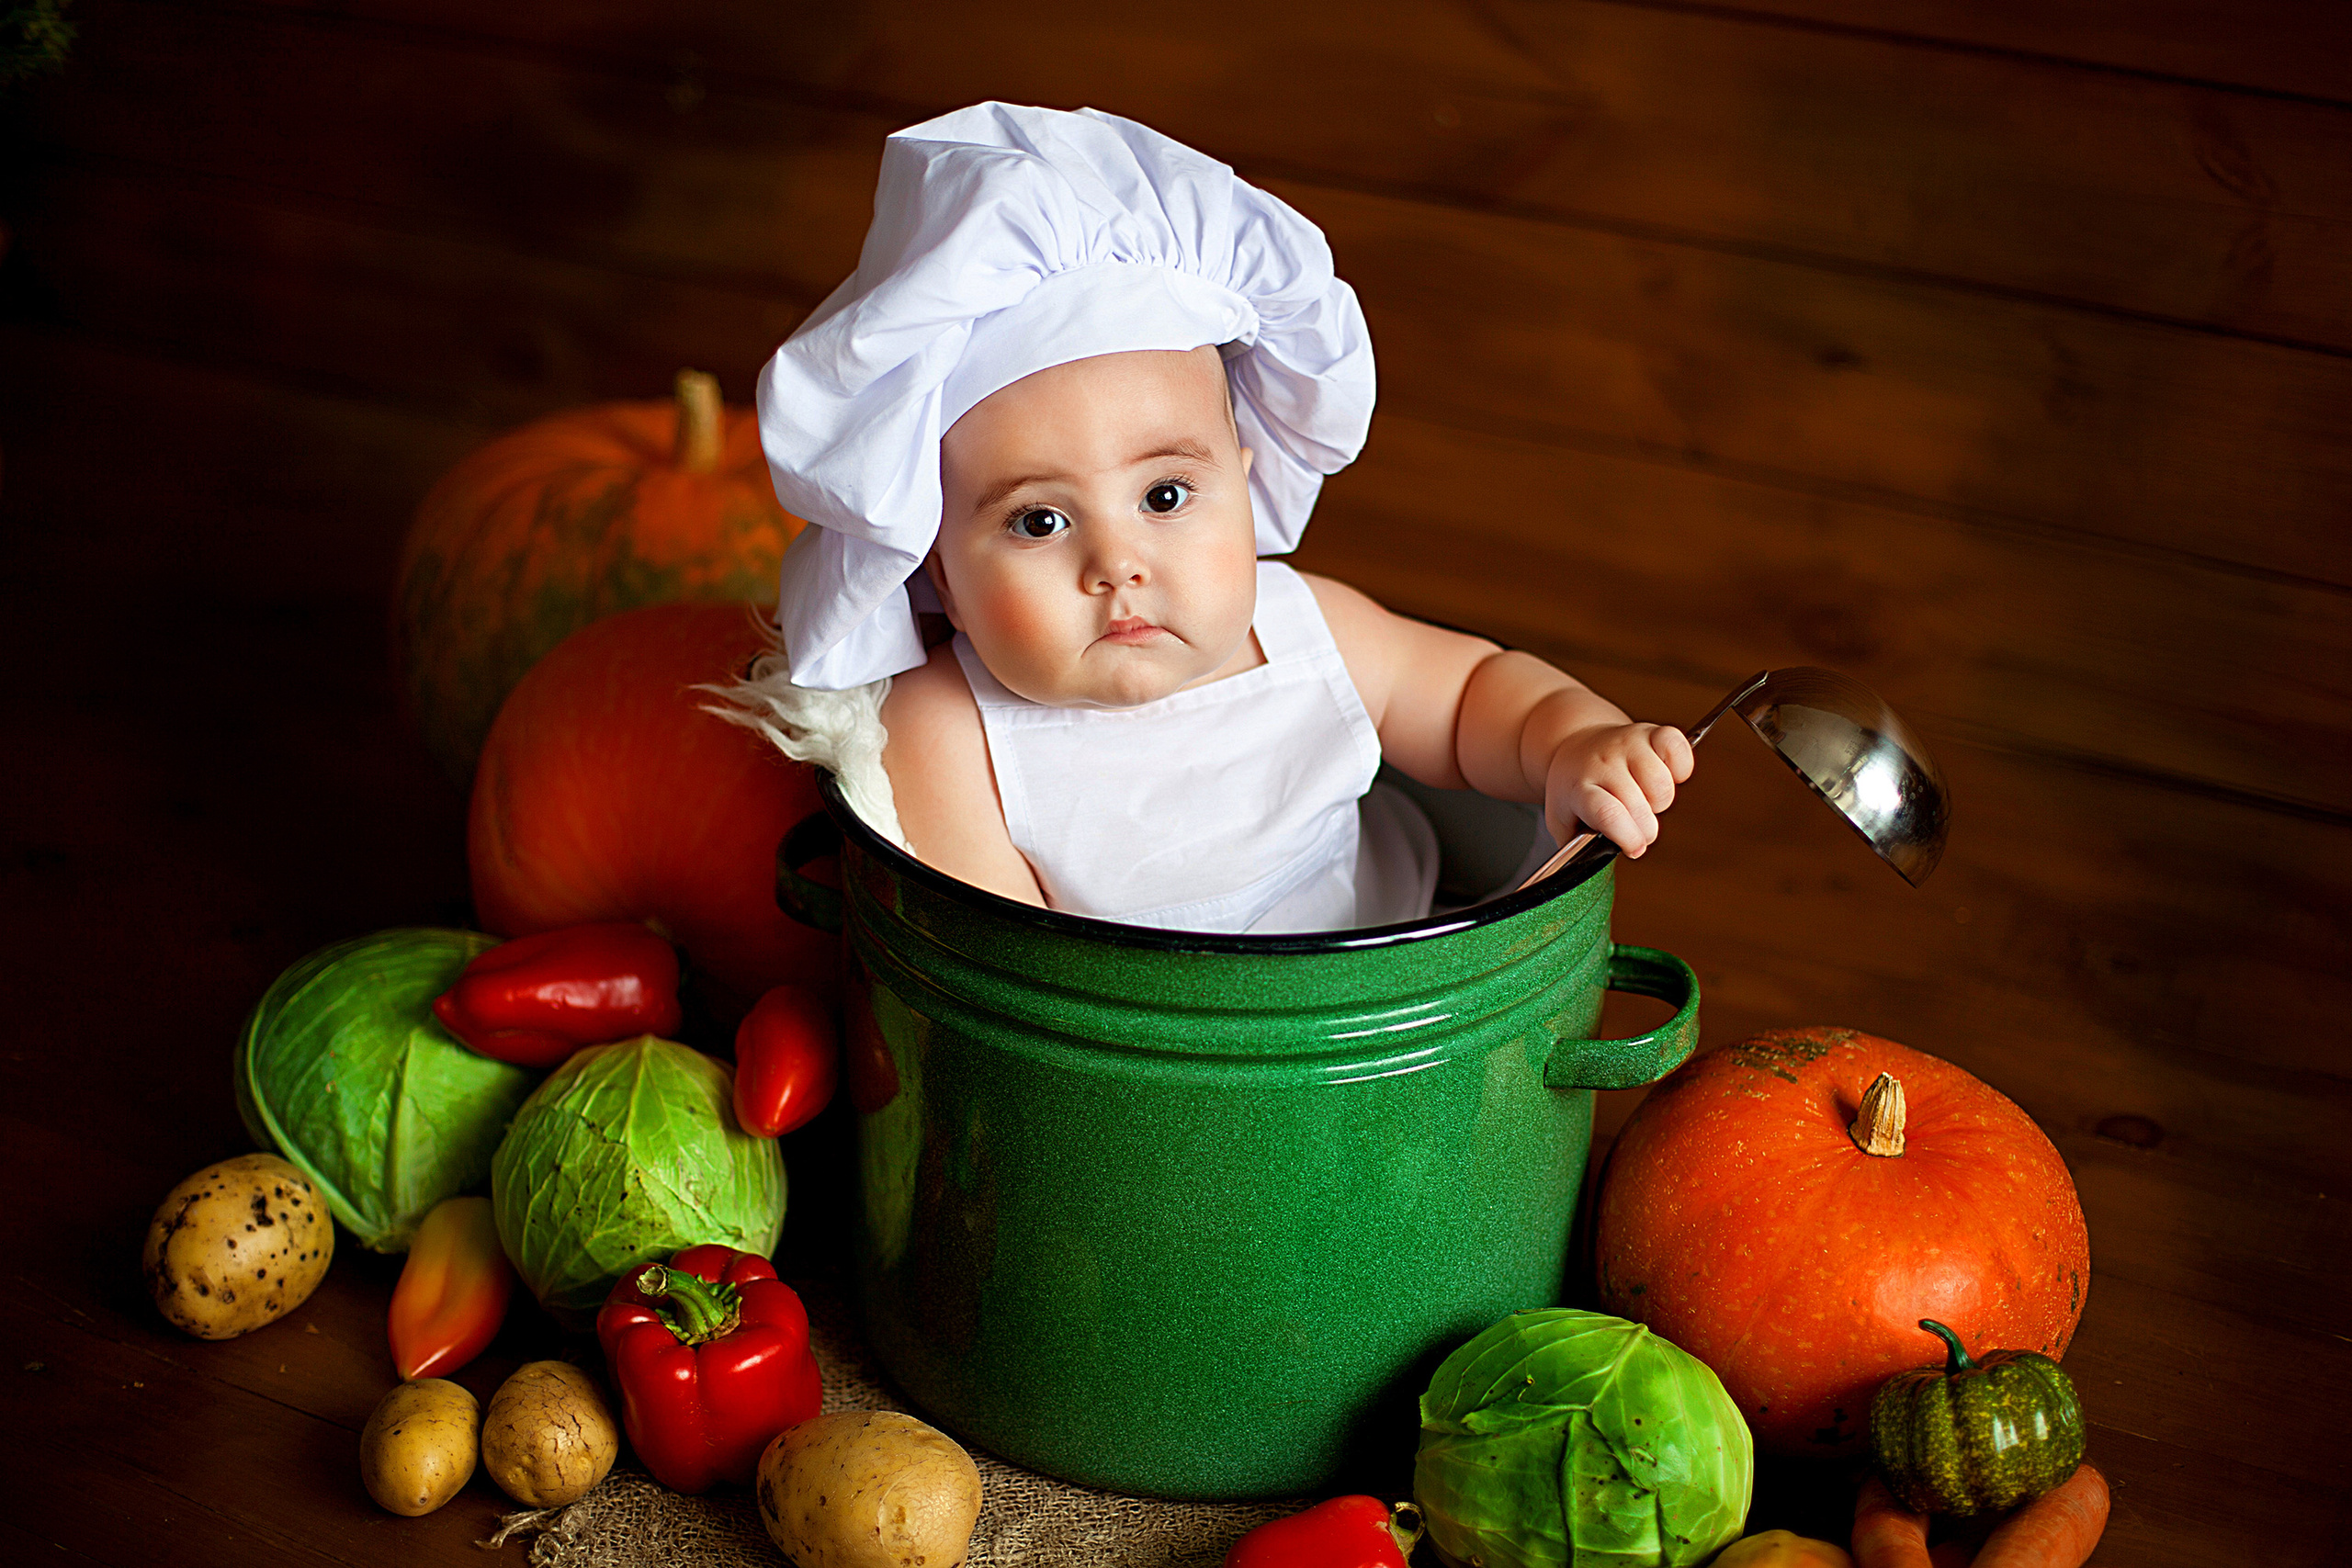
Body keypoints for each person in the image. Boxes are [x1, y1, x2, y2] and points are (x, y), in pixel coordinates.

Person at [742, 103, 1690, 934]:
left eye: (1163, 497)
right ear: (939, 567)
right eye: (1037, 522)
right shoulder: (947, 727)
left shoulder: (1306, 627)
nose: (1115, 564)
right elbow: (1008, 973)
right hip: (1146, 1076)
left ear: (1243, 486)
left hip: (1395, 995)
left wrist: (1572, 743)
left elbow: (1475, 695)